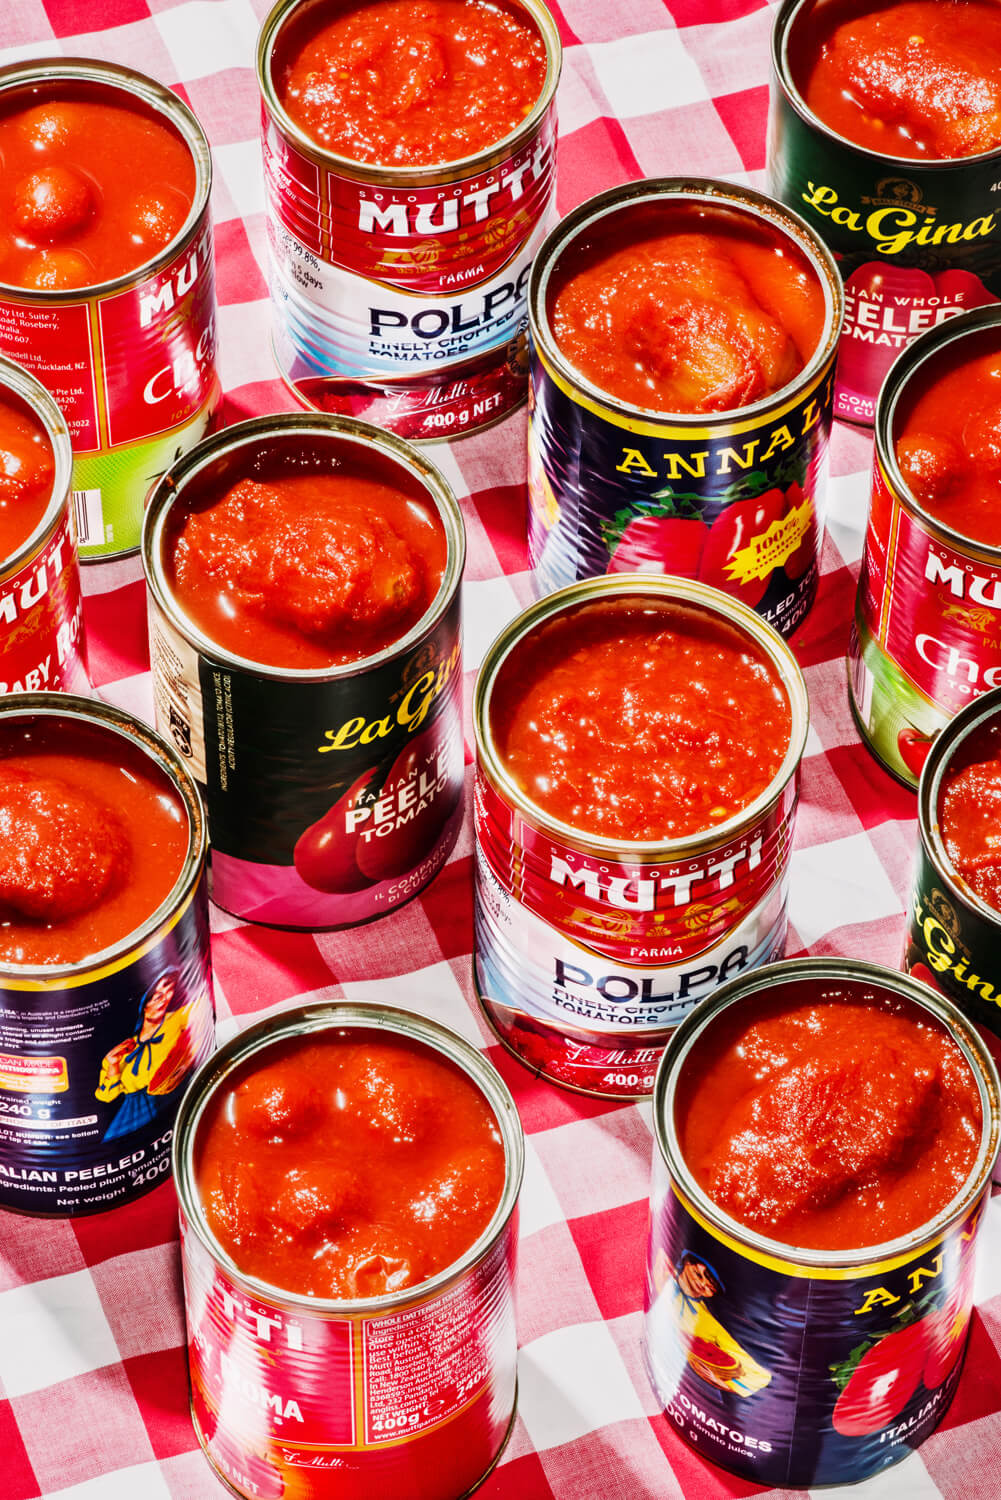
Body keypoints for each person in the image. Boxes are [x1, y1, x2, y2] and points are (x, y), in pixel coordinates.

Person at [648, 1246, 771, 1397]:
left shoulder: (709, 1324)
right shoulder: (664, 1268)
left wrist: (721, 1383)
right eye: (702, 1274)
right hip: (657, 1353)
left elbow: (760, 1377)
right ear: (687, 1263)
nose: (703, 1282)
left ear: (711, 1293)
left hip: (685, 1386)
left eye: (711, 1285)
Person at [96, 970, 201, 1139]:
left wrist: (191, 1052)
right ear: (144, 1002)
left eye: (169, 992)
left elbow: (201, 1011)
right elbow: (106, 1096)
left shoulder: (176, 1019)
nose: (164, 999)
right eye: (157, 996)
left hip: (170, 1104)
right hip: (131, 1115)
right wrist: (113, 1065)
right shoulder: (122, 1050)